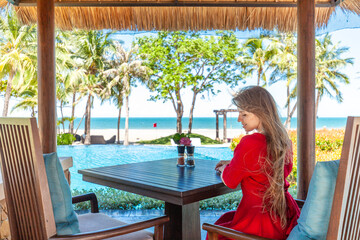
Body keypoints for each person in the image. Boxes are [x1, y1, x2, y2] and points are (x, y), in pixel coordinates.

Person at [212, 86, 300, 240]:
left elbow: (231, 181)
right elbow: (264, 168)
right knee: (226, 217)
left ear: (261, 114)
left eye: (244, 114)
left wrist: (225, 167)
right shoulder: (284, 142)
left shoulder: (249, 143)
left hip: (258, 224)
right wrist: (235, 162)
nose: (239, 119)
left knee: (217, 230)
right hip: (283, 217)